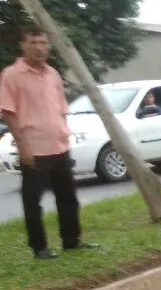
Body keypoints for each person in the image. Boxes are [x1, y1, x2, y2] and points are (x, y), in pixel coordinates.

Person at [0, 26, 98, 259]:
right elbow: (9, 112)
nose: (40, 47)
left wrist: (64, 133)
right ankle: (39, 247)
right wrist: (22, 146)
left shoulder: (53, 74)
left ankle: (71, 240)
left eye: (43, 42)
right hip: (34, 149)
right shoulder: (12, 75)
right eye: (33, 42)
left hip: (59, 146)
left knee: (68, 198)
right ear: (23, 45)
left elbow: (62, 108)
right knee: (32, 201)